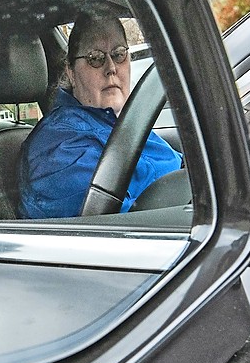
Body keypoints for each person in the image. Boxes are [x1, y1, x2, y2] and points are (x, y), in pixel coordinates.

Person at [18, 13, 182, 218]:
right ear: (70, 71)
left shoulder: (121, 123)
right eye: (95, 58)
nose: (111, 68)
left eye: (119, 54)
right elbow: (120, 225)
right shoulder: (57, 146)